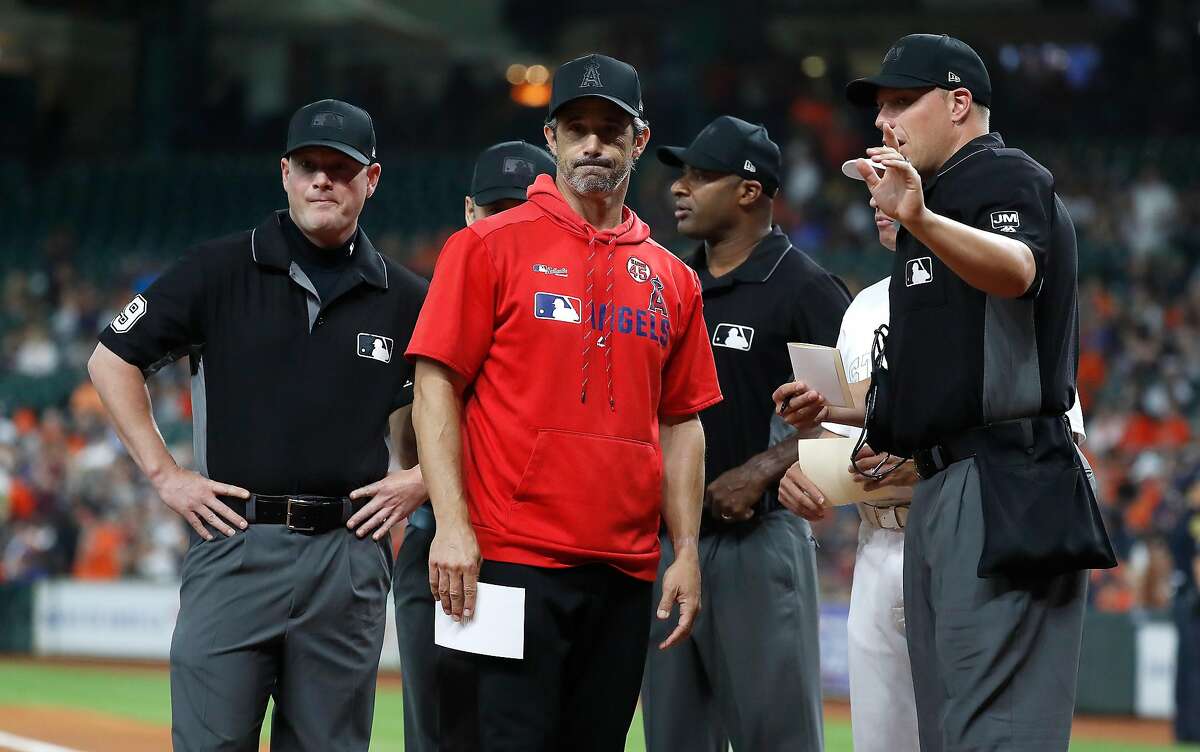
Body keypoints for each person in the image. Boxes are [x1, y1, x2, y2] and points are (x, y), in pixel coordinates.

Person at [776, 34, 1105, 751]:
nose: (882, 121)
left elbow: (1019, 269)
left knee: (996, 730)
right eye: (879, 107)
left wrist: (921, 217)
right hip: (947, 482)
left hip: (1005, 483)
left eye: (901, 101)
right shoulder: (933, 213)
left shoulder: (1002, 175)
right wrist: (843, 408)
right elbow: (942, 379)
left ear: (959, 104)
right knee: (951, 727)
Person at [88, 99, 429, 751]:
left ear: (372, 179)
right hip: (236, 541)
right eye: (309, 165)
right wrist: (166, 476)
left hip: (346, 557)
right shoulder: (217, 269)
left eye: (340, 167)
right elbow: (111, 360)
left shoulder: (409, 297)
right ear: (285, 173)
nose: (322, 179)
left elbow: (470, 406)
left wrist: (420, 481)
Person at [406, 53, 722, 751]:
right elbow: (435, 387)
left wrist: (688, 550)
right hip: (505, 561)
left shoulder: (672, 279)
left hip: (624, 568)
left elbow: (683, 423)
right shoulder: (487, 246)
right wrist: (453, 527)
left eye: (611, 131)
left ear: (640, 142)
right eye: (576, 128)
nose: (592, 145)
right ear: (550, 138)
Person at [640, 115, 848, 752]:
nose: (681, 188)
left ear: (750, 191)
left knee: (775, 738)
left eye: (701, 176)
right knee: (673, 739)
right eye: (682, 175)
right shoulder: (668, 284)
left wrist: (767, 467)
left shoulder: (805, 289)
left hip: (755, 545)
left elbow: (855, 423)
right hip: (668, 543)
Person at [393, 138, 554, 752]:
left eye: (522, 208)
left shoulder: (570, 309)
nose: (507, 223)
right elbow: (405, 440)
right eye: (496, 209)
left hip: (540, 550)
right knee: (442, 736)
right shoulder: (426, 300)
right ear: (469, 212)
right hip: (445, 545)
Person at [1170, 486, 1200, 742]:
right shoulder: (1192, 521)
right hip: (1191, 600)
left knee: (1188, 667)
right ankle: (1190, 730)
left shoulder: (1185, 520)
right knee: (1192, 668)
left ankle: (1186, 730)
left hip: (1184, 597)